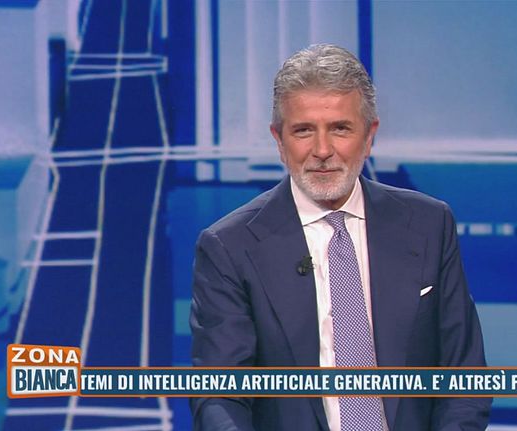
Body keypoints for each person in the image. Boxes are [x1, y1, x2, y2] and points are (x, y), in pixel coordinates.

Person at [190, 44, 491, 431]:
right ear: (279, 140)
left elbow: (464, 379)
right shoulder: (230, 246)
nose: (322, 150)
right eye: (303, 130)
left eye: (340, 129)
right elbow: (220, 396)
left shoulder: (429, 224)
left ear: (369, 136)